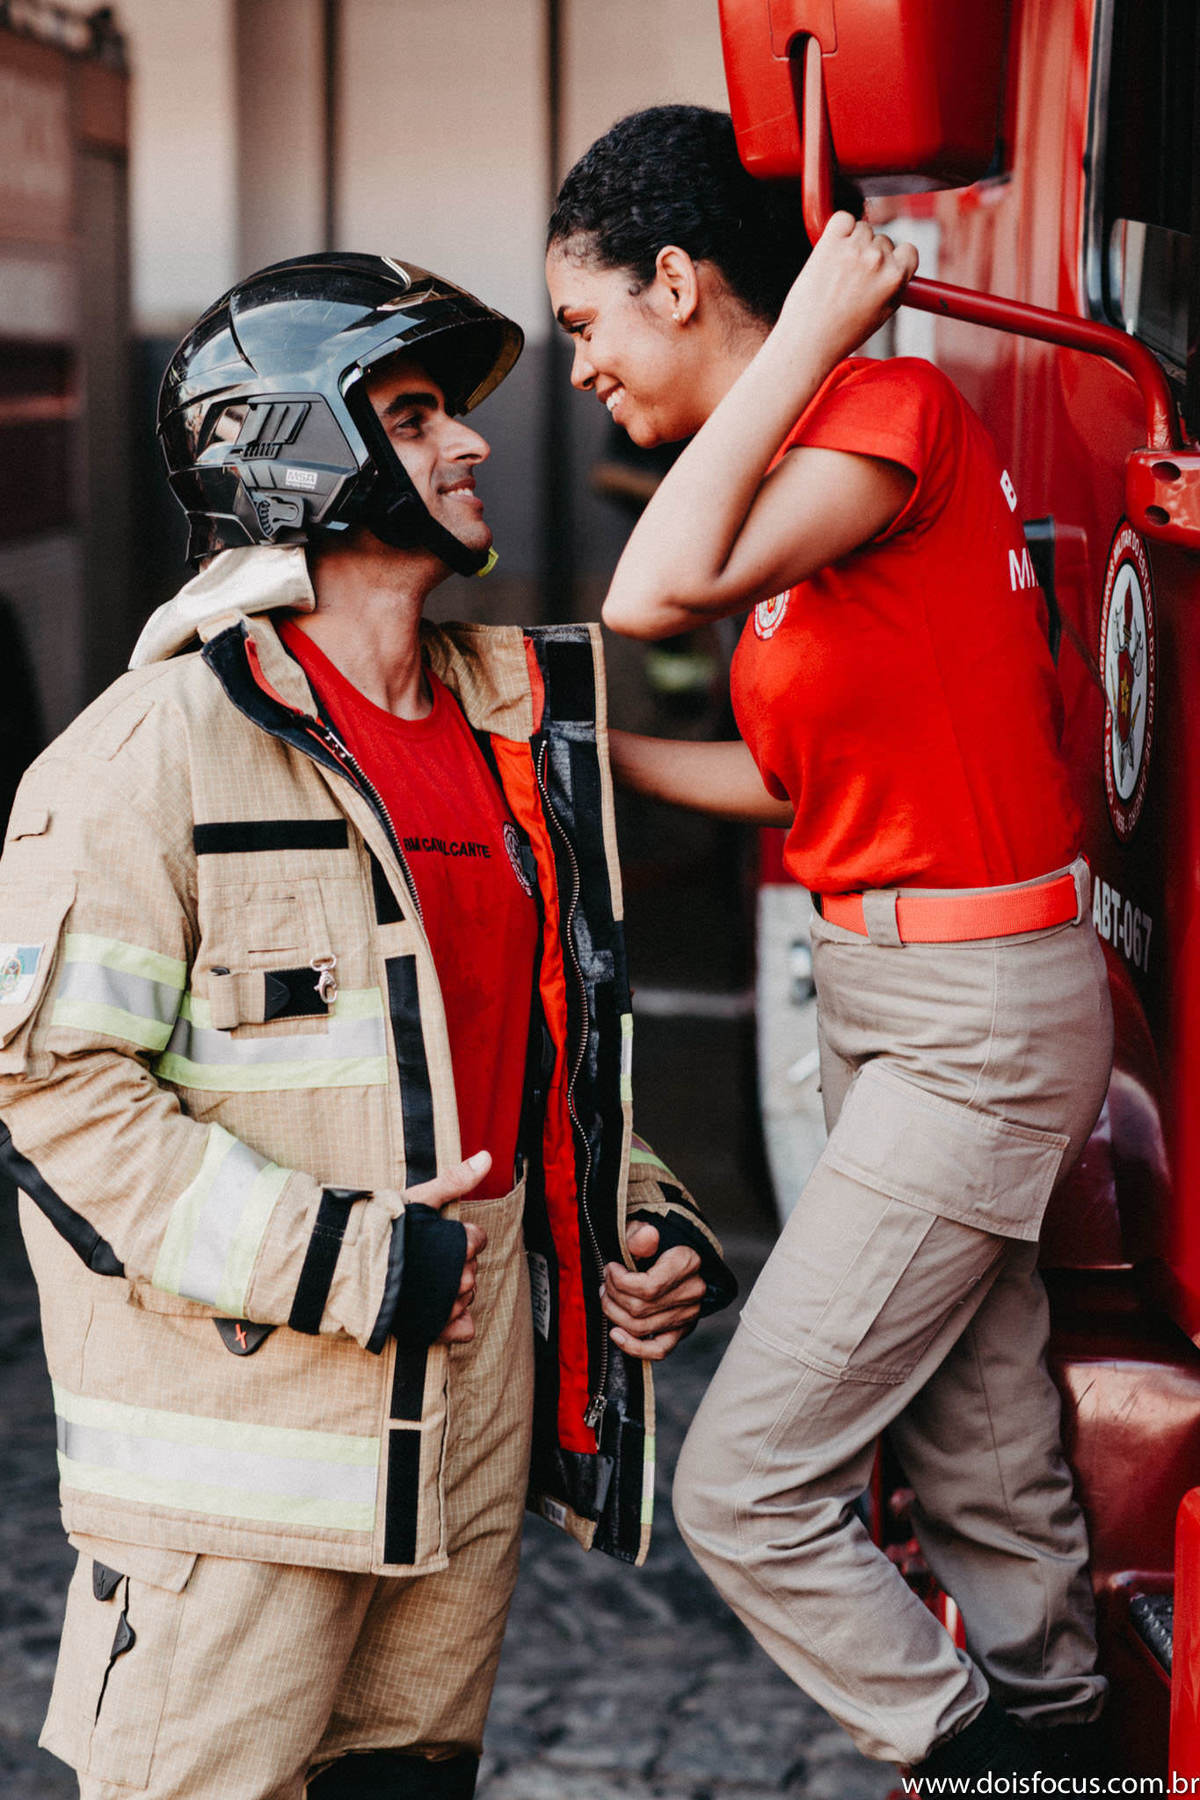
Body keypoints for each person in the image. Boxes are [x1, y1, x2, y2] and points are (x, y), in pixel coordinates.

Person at [0, 252, 735, 1800]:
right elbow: (54, 1097)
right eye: (414, 416)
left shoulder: (512, 737)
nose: (471, 445)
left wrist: (639, 1217)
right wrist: (350, 1263)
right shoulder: (148, 756)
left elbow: (527, 1061)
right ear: (297, 449)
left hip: (455, 1472)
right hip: (241, 1490)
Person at [546, 105, 1114, 1791]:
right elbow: (778, 774)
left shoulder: (885, 411)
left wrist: (799, 337)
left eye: (588, 324)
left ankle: (980, 1766)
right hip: (884, 995)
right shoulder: (813, 471)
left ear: (678, 276)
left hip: (974, 1015)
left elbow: (656, 589)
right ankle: (1074, 1734)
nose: (581, 369)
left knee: (747, 1481)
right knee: (978, 1446)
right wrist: (562, 747)